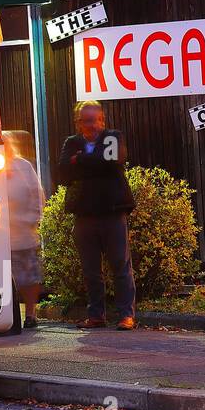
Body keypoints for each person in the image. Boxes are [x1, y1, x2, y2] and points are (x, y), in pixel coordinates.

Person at [55, 101, 136, 330]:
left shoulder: (113, 136)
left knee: (120, 265)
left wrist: (79, 160)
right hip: (84, 213)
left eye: (95, 120)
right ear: (78, 123)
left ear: (102, 120)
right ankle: (96, 315)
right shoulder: (71, 142)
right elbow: (63, 170)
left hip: (112, 211)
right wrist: (94, 161)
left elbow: (112, 161)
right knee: (90, 270)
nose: (92, 125)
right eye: (86, 121)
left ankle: (126, 316)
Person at [3, 130, 45, 328]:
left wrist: (34, 218)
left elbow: (37, 194)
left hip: (23, 231)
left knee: (29, 278)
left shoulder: (23, 167)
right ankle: (5, 315)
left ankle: (31, 314)